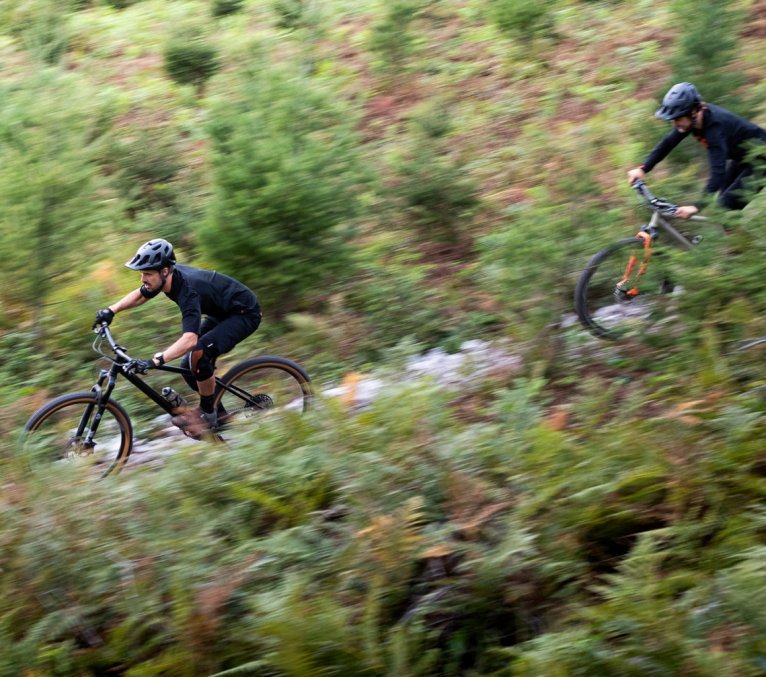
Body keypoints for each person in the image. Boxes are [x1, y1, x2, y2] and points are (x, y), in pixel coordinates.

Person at [93, 238, 262, 436]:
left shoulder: (188, 291)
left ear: (164, 271)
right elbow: (141, 294)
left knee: (198, 354)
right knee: (187, 365)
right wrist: (111, 310)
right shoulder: (166, 278)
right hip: (222, 313)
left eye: (147, 273)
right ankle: (220, 415)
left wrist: (154, 361)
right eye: (141, 273)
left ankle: (208, 413)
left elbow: (189, 339)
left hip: (244, 314)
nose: (142, 279)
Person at [627, 82, 766, 217]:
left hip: (762, 160)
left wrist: (696, 206)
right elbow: (668, 143)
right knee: (721, 205)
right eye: (673, 120)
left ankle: (745, 238)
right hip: (744, 158)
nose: (675, 124)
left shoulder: (715, 130)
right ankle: (733, 234)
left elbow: (718, 172)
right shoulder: (693, 121)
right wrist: (643, 169)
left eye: (677, 119)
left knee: (725, 207)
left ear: (693, 112)